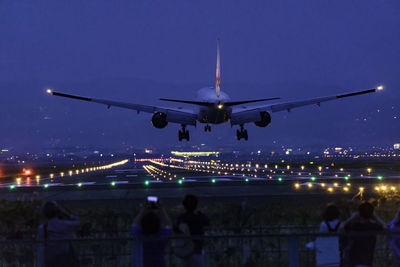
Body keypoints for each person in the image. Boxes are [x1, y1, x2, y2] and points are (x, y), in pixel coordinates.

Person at [36, 201, 81, 267]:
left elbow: (41, 247)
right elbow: (77, 222)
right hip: (65, 257)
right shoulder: (65, 224)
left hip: (50, 259)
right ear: (58, 212)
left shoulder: (42, 228)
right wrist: (66, 213)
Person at [342, 201, 385, 267]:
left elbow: (342, 227)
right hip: (367, 259)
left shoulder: (355, 226)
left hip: (354, 260)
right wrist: (375, 216)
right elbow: (385, 228)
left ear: (359, 213)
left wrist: (352, 217)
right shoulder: (373, 226)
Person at [131, 198, 172, 267]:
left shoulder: (138, 236)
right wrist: (161, 209)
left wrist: (143, 210)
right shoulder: (162, 236)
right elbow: (169, 225)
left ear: (142, 224)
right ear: (159, 225)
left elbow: (135, 224)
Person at [174, 194, 210, 267]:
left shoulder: (181, 218)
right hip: (197, 250)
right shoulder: (199, 217)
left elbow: (176, 229)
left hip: (184, 250)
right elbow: (207, 222)